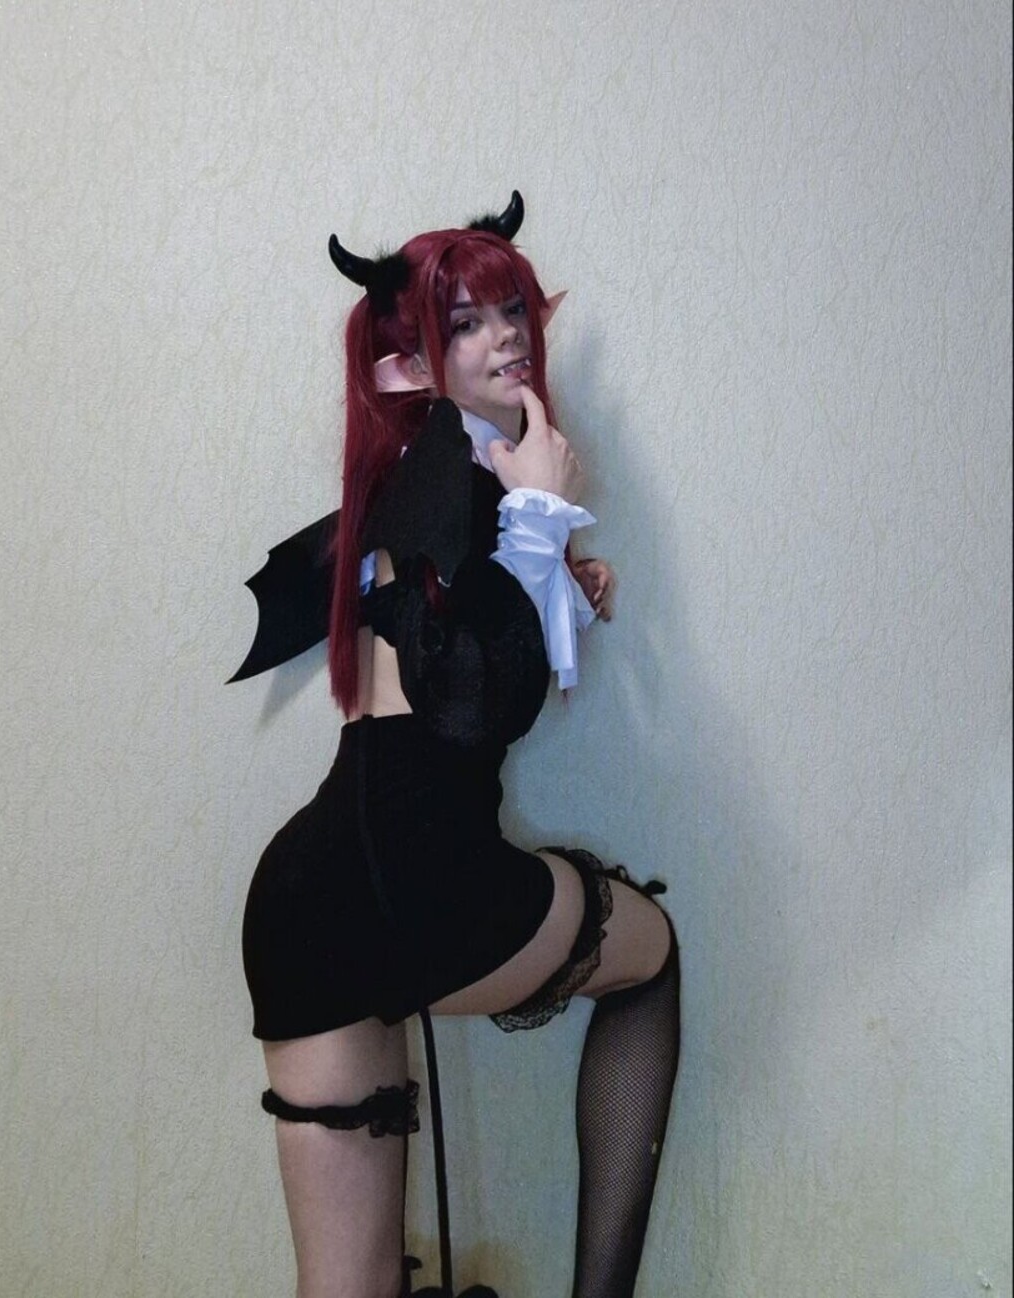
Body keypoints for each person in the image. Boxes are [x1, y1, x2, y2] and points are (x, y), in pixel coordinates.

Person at [234, 193, 680, 1298]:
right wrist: (541, 518)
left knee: (346, 1287)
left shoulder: (411, 485)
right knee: (652, 952)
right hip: (426, 877)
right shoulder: (461, 476)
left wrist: (552, 574)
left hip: (307, 899)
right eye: (467, 323)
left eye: (512, 310)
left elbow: (455, 643)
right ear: (407, 368)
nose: (507, 336)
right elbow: (473, 705)